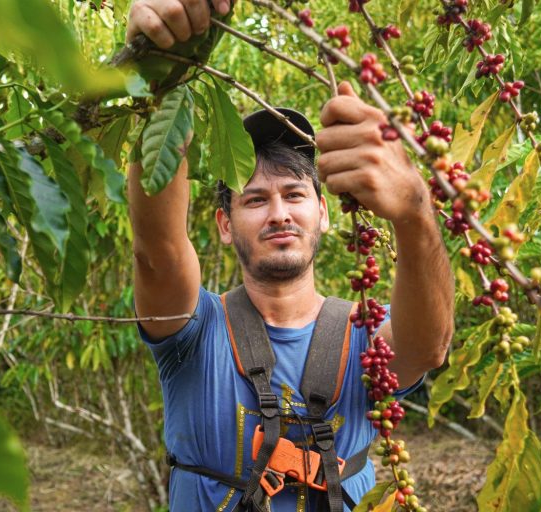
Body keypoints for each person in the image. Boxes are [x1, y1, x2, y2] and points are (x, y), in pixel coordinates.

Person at [126, 1, 454, 510]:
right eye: (255, 199)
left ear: (323, 213)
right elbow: (158, 251)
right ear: (224, 224)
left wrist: (415, 215)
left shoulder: (365, 335)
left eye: (295, 195)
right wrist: (162, 82)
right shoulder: (196, 330)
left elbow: (428, 345)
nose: (278, 213)